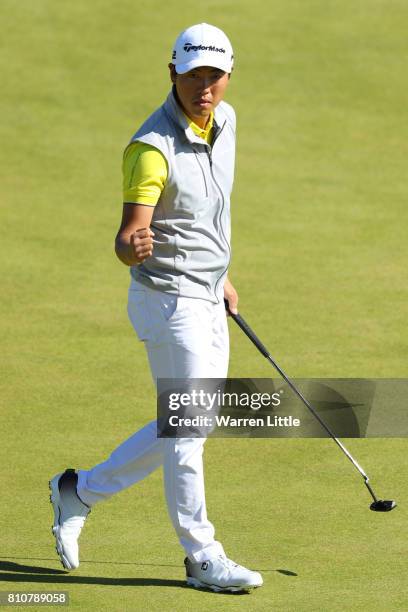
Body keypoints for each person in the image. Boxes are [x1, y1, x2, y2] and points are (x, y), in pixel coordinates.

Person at [49, 23, 263, 593]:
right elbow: (130, 235)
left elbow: (203, 216)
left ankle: (81, 489)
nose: (205, 87)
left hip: (206, 292)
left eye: (215, 75)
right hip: (167, 299)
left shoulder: (228, 122)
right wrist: (129, 247)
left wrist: (221, 275)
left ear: (227, 76)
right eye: (194, 74)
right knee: (189, 429)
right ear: (173, 72)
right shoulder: (151, 149)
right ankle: (202, 556)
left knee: (190, 422)